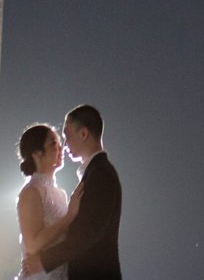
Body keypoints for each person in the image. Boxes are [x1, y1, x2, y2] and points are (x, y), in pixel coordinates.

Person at [24, 105, 121, 280]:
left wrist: (44, 261)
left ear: (83, 134)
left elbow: (88, 233)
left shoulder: (100, 174)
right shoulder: (94, 172)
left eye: (66, 136)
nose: (64, 144)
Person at [15, 123, 82, 280]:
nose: (61, 148)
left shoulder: (60, 194)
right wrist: (69, 217)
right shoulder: (31, 192)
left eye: (59, 143)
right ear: (37, 153)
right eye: (53, 143)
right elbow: (32, 245)